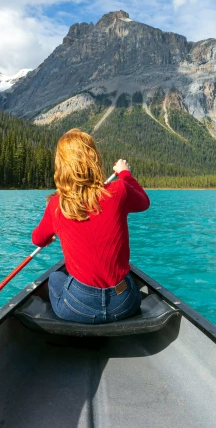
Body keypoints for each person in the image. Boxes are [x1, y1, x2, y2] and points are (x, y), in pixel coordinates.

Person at [31, 128, 150, 324]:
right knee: (127, 281)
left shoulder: (56, 205)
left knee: (54, 278)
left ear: (61, 165)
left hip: (78, 306)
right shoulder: (119, 190)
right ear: (93, 158)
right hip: (124, 304)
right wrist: (125, 174)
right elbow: (144, 202)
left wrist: (49, 236)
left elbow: (37, 239)